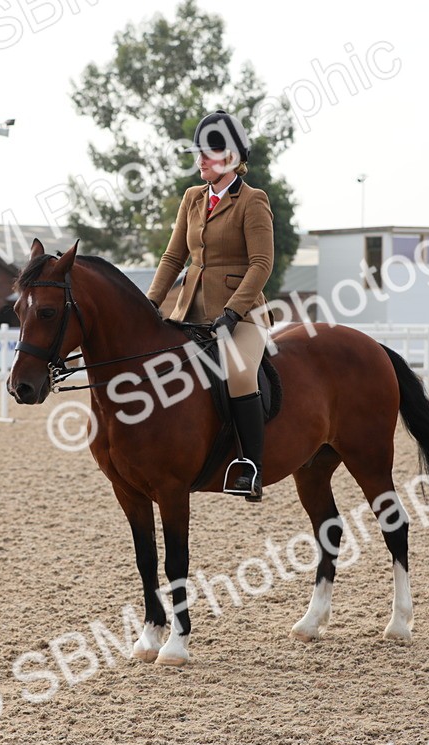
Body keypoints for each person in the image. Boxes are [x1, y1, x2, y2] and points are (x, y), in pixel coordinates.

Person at [146, 110, 273, 502]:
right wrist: (149, 303)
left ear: (231, 158)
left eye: (209, 153)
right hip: (191, 313)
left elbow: (261, 264)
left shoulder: (253, 201)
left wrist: (233, 313)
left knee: (237, 374)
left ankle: (251, 468)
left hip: (244, 315)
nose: (200, 160)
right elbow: (172, 258)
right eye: (198, 153)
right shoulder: (192, 199)